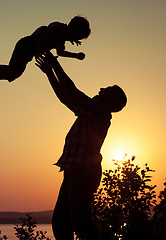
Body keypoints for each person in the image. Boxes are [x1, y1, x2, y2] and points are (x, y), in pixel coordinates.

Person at [35, 52, 127, 240]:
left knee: (80, 223)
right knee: (62, 223)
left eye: (107, 90)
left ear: (112, 102)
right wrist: (49, 73)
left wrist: (55, 66)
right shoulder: (92, 110)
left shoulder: (99, 111)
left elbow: (73, 92)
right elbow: (67, 98)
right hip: (74, 170)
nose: (101, 89)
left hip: (82, 172)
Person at [0, 16, 91, 92]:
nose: (75, 39)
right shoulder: (59, 27)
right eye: (77, 36)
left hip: (29, 49)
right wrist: (63, 36)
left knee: (12, 74)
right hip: (27, 44)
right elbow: (52, 29)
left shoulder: (61, 41)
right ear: (73, 27)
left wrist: (75, 55)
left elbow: (61, 52)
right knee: (13, 72)